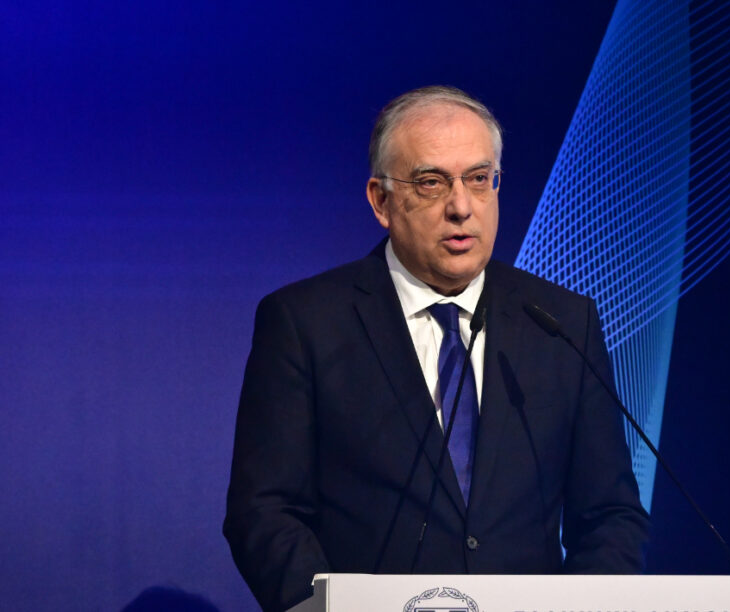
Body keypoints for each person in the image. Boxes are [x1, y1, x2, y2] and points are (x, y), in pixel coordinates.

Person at [223, 86, 649, 612]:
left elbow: (610, 514)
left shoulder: (562, 323)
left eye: (479, 179)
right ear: (381, 201)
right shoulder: (306, 322)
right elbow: (265, 512)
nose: (462, 207)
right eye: (431, 183)